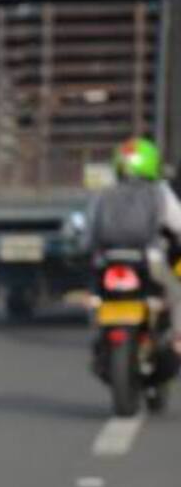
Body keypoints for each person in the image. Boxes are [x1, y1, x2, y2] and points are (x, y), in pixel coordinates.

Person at [89, 137, 181, 353]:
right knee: (176, 293)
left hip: (107, 259)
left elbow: (89, 232)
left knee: (97, 295)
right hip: (149, 258)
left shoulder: (104, 194)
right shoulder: (159, 192)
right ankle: (178, 339)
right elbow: (178, 223)